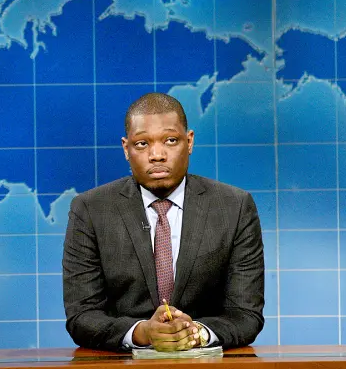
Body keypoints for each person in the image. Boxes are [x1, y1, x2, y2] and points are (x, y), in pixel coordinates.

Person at [63, 92, 264, 352]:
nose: (157, 155)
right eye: (142, 144)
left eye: (170, 140)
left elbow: (246, 315)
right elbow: (82, 316)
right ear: (126, 148)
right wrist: (143, 332)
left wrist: (194, 333)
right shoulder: (90, 210)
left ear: (189, 142)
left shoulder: (234, 207)